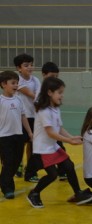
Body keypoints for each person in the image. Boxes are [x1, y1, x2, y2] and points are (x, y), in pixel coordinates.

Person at [26, 77, 92, 208]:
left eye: (62, 92)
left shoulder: (55, 109)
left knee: (69, 165)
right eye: (59, 92)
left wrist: (72, 137)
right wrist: (69, 141)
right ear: (49, 93)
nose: (62, 95)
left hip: (52, 146)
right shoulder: (44, 111)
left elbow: (59, 128)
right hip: (43, 148)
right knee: (52, 175)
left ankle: (78, 193)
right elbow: (50, 132)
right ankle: (34, 193)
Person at [0, 71, 33, 199]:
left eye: (17, 83)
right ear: (3, 84)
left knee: (16, 161)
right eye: (13, 83)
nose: (16, 85)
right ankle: (7, 188)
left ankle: (3, 179)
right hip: (4, 137)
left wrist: (29, 132)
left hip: (18, 135)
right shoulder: (1, 100)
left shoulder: (18, 99)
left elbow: (23, 116)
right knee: (8, 162)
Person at [14, 53, 41, 182]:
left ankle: (30, 169)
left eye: (31, 65)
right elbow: (32, 94)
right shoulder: (17, 81)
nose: (30, 67)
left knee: (32, 144)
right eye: (26, 65)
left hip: (34, 116)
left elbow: (39, 97)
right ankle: (18, 163)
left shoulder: (36, 80)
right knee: (21, 144)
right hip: (21, 117)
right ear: (19, 68)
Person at [42, 61, 67, 181]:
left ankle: (63, 172)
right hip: (44, 132)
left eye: (57, 76)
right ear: (44, 75)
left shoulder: (55, 97)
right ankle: (30, 172)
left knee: (61, 151)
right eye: (52, 76)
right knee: (37, 157)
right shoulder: (41, 94)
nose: (55, 79)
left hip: (53, 132)